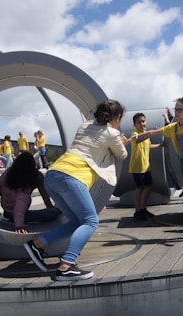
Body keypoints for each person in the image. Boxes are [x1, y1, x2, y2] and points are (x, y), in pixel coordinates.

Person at [23, 100, 128, 281]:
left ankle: (38, 244)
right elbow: (122, 154)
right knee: (90, 221)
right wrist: (123, 142)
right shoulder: (112, 133)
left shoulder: (85, 125)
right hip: (72, 177)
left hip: (53, 174)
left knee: (75, 222)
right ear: (117, 117)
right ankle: (66, 266)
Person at [136, 93, 183, 242]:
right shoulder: (174, 127)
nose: (176, 113)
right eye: (175, 109)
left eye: (180, 110)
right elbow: (155, 132)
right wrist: (138, 137)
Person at [0, 152, 59, 233]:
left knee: (38, 178)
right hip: (18, 214)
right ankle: (52, 209)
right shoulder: (25, 188)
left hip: (7, 209)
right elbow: (19, 206)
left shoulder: (9, 173)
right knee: (52, 213)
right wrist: (19, 226)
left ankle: (10, 215)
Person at [128, 113, 164, 221]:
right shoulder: (135, 134)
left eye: (143, 121)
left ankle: (143, 209)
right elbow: (139, 139)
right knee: (139, 188)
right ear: (135, 124)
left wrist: (160, 145)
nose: (142, 124)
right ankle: (137, 211)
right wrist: (152, 132)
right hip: (137, 166)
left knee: (149, 187)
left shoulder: (145, 135)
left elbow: (148, 146)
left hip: (145, 166)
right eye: (139, 122)